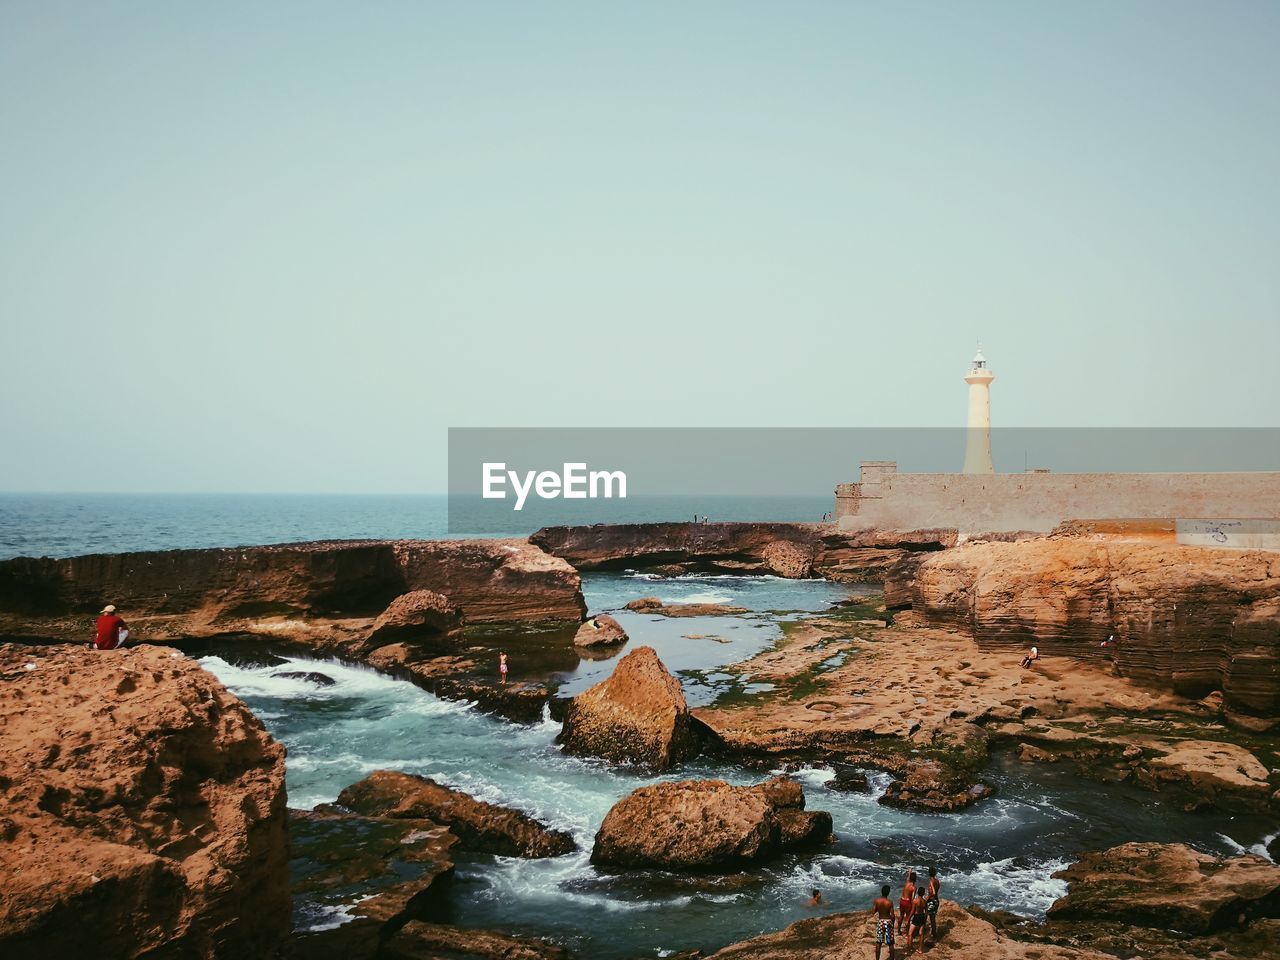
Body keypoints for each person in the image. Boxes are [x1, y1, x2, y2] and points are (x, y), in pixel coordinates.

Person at [871, 883, 896, 960]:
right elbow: (892, 916)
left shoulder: (877, 901)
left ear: (881, 891)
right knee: (890, 943)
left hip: (881, 922)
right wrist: (893, 923)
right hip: (888, 922)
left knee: (879, 942)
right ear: (888, 893)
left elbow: (873, 912)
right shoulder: (890, 902)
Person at [908, 885, 928, 952]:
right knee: (921, 933)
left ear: (917, 893)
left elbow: (912, 911)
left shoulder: (915, 901)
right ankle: (920, 949)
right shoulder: (925, 901)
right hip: (922, 916)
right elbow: (926, 911)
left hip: (916, 917)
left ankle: (909, 950)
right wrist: (925, 919)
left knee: (910, 934)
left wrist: (908, 919)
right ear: (923, 893)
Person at [897, 870, 917, 934]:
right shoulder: (914, 887)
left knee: (901, 915)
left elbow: (908, 876)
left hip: (902, 900)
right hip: (907, 902)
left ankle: (898, 930)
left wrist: (910, 871)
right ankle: (907, 932)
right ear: (915, 879)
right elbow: (913, 898)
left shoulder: (907, 882)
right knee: (908, 917)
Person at [924, 866, 941, 942]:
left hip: (931, 901)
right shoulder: (937, 881)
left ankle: (925, 934)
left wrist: (926, 899)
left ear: (929, 873)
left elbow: (931, 893)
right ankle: (934, 935)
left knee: (925, 916)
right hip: (936, 900)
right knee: (932, 919)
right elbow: (936, 891)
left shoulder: (931, 881)